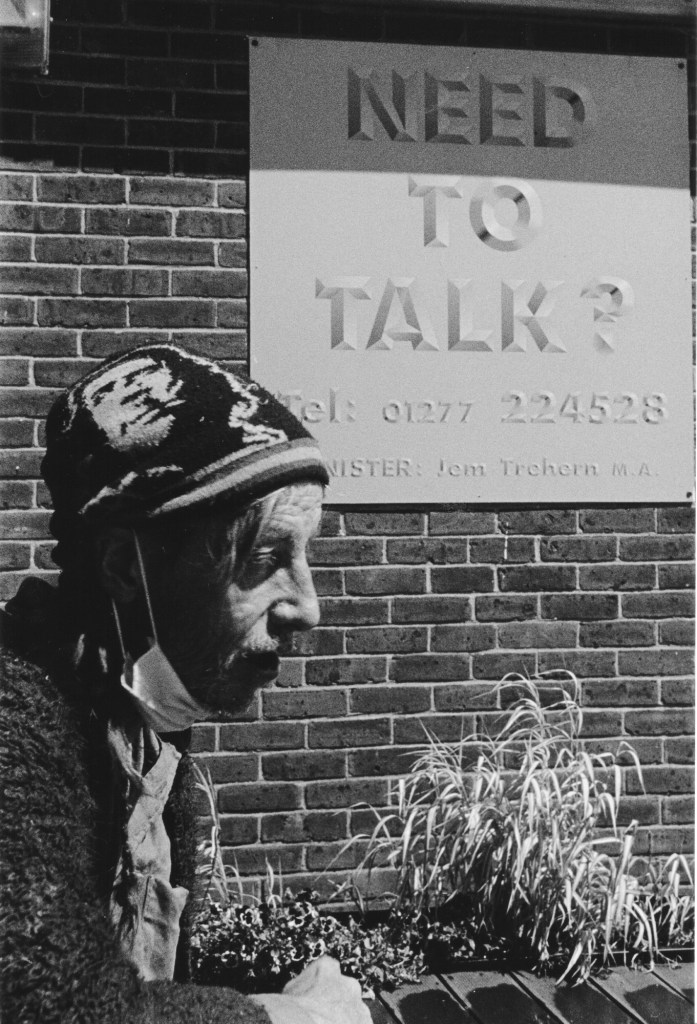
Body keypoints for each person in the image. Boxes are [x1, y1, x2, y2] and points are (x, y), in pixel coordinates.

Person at [0, 344, 371, 1024]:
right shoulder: (15, 726)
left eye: (304, 554)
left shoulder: (130, 716)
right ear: (123, 565)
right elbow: (46, 1002)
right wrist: (295, 1018)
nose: (308, 607)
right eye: (265, 556)